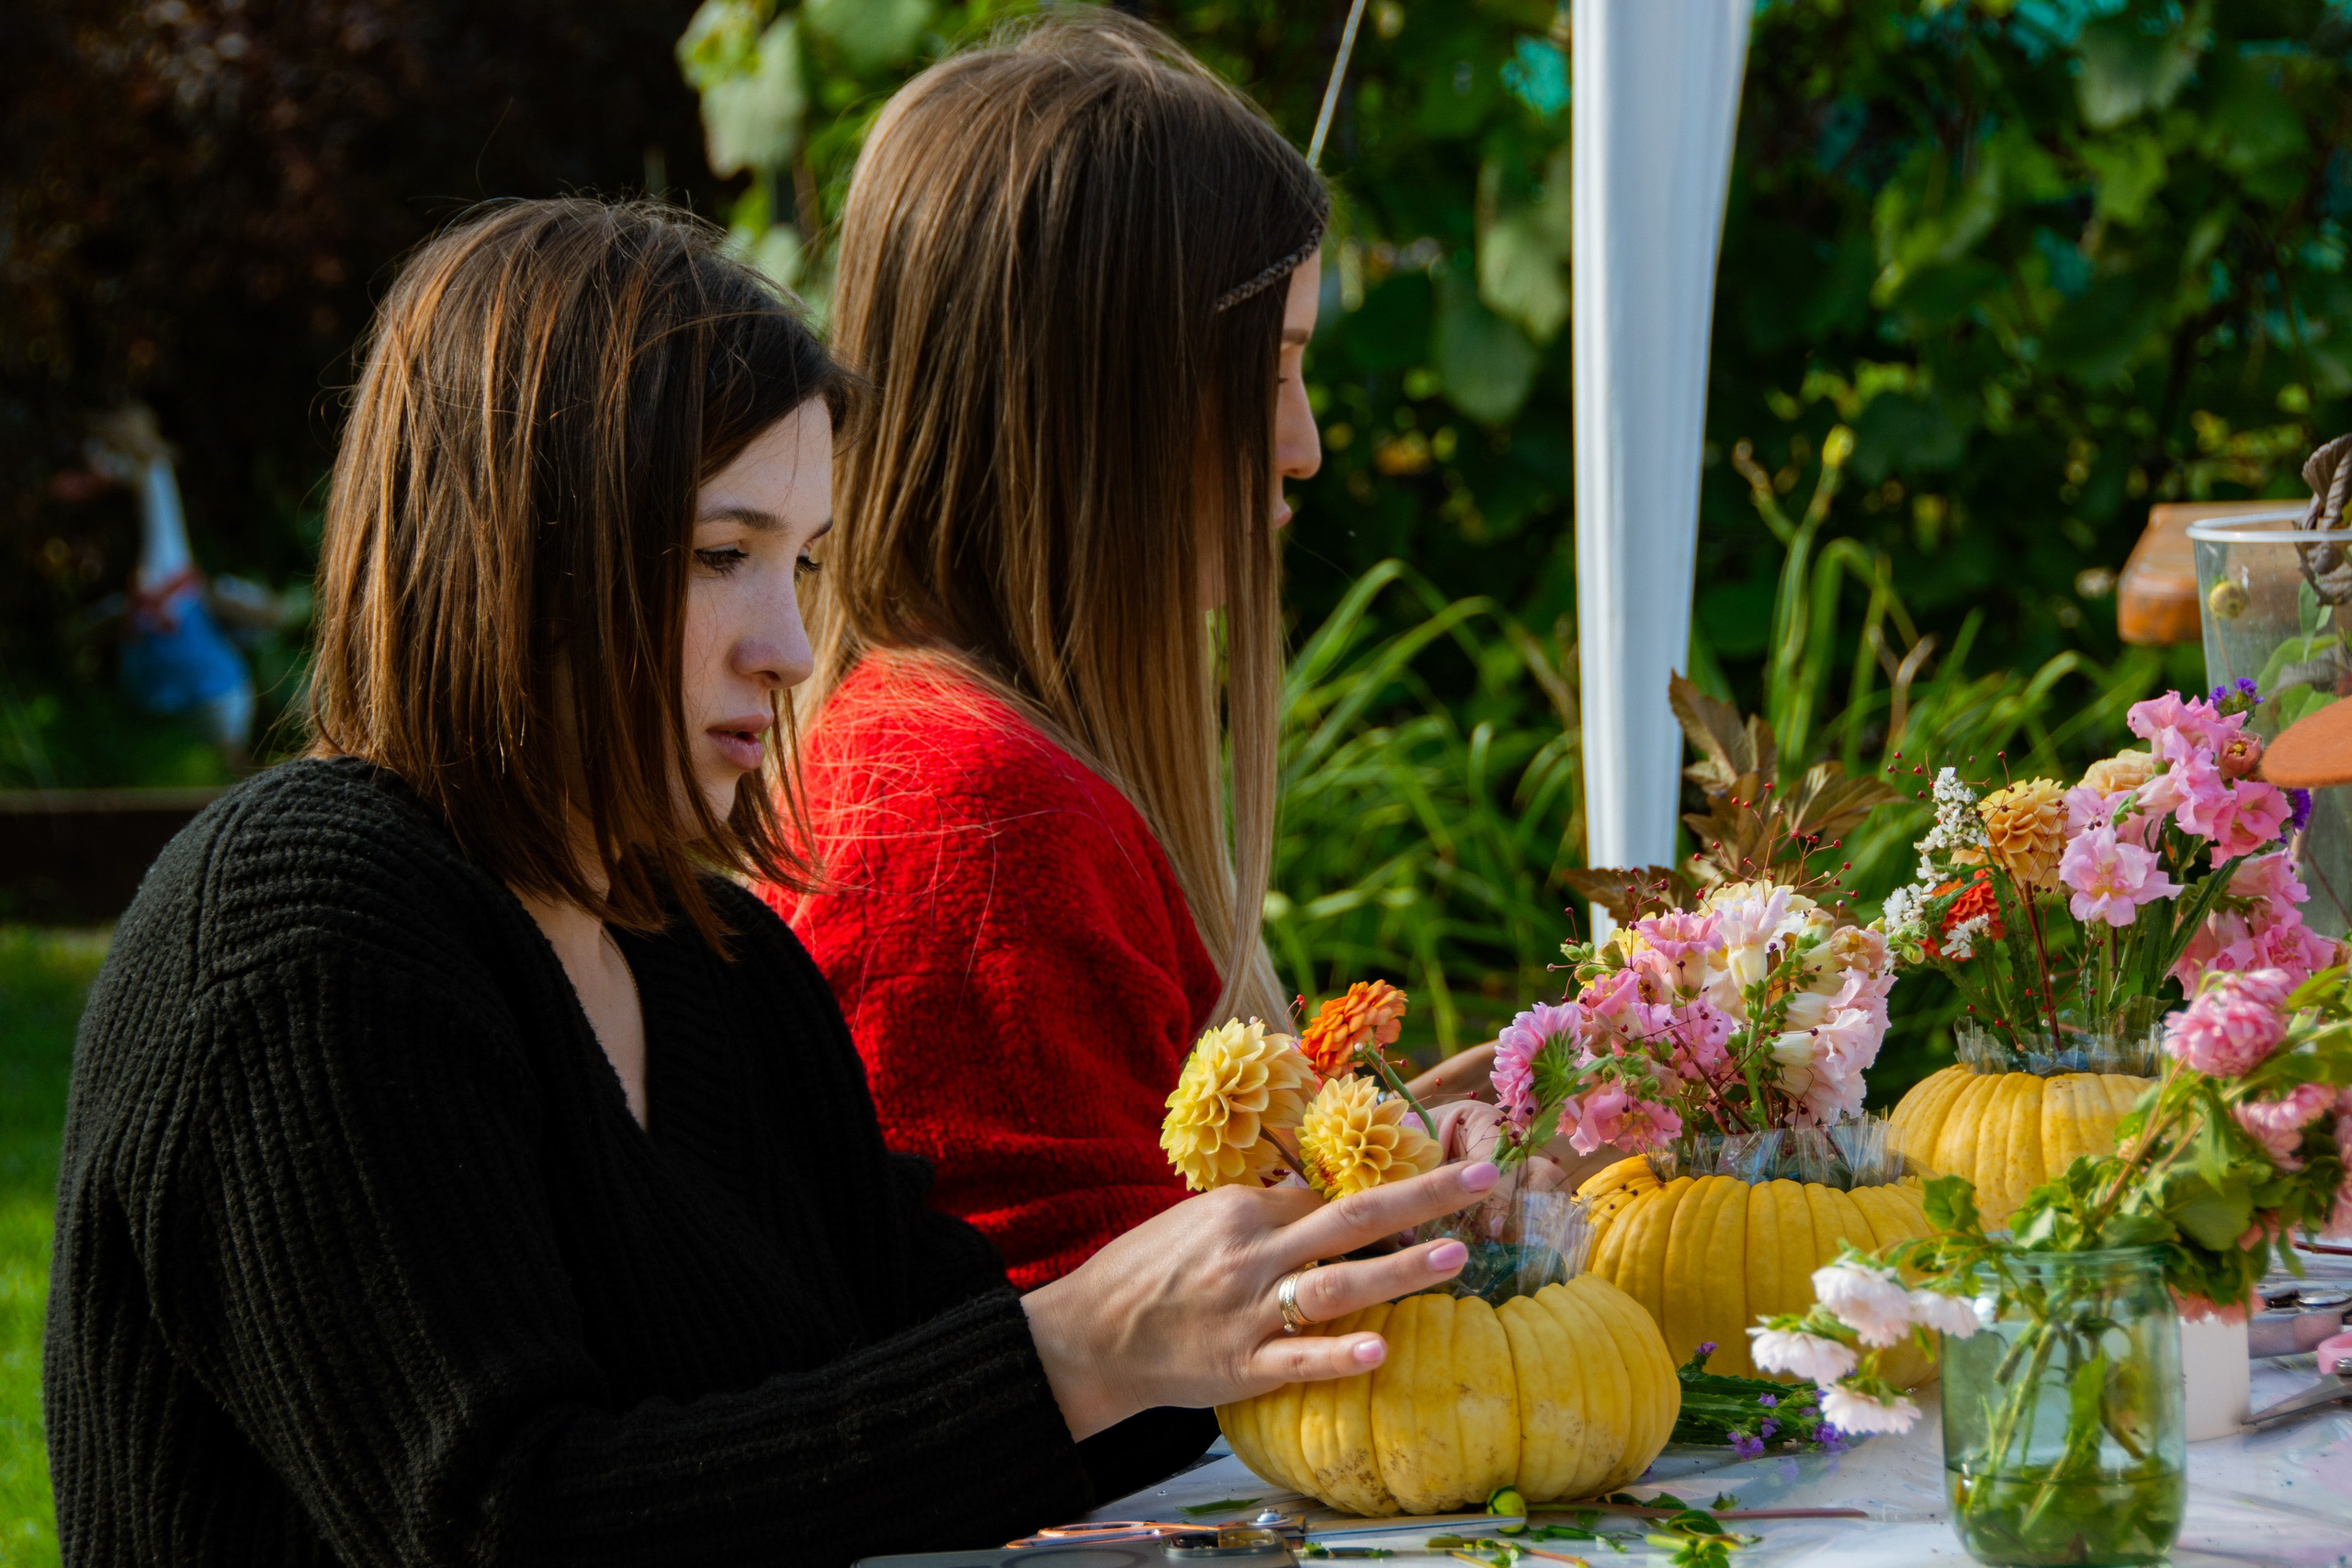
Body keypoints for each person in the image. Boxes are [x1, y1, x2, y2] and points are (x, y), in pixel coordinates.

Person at [42, 197, 1497, 1567]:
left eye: (801, 566)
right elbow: (506, 1519)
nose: (790, 650)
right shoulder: (305, 934)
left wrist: (1349, 1257)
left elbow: (935, 1414)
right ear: (508, 548)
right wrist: (1073, 1353)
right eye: (719, 555)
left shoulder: (718, 969)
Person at [776, 13, 1498, 1317]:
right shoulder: (973, 814)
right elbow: (1089, 1371)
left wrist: (1381, 1182)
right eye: (1270, 373)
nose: (1303, 445)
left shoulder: (952, 760)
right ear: (1106, 399)